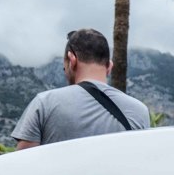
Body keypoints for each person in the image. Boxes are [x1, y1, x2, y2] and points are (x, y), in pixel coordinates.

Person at [12, 28, 151, 149]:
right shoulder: (140, 111)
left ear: (72, 60)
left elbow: (22, 168)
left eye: (64, 67)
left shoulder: (44, 103)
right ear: (109, 66)